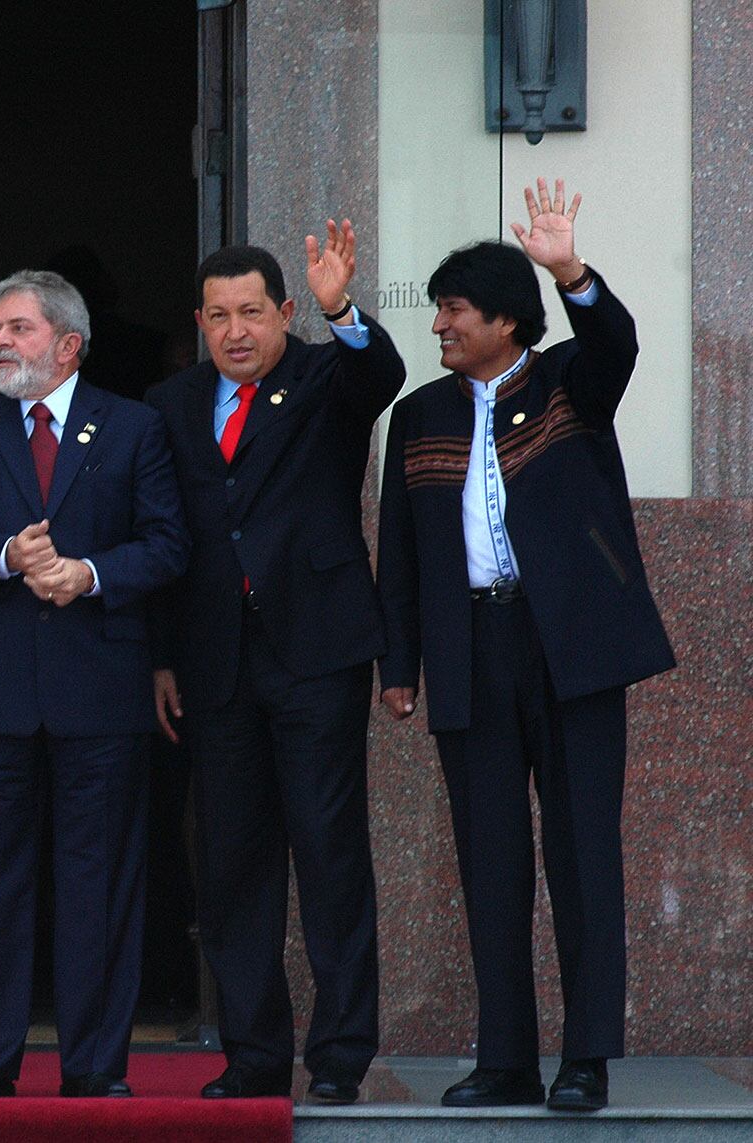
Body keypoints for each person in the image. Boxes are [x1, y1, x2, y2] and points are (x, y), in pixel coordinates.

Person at [378, 181, 674, 1114]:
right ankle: (503, 1055)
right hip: (471, 647)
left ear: (507, 320)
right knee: (490, 859)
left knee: (583, 850)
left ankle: (584, 1058)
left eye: (454, 310)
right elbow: (399, 550)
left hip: (572, 647)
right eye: (436, 310)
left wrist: (571, 270)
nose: (439, 326)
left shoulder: (567, 384)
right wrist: (400, 665)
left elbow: (617, 347)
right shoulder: (419, 414)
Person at [0, 270, 188, 1098]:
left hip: (99, 687)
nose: (1, 340)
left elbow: (168, 544)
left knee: (99, 881)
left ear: (69, 343)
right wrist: (7, 558)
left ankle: (95, 1064)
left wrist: (87, 572)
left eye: (21, 328)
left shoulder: (133, 426)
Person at [146, 225, 404, 1104]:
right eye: (218, 316)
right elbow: (167, 538)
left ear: (285, 312)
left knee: (330, 854)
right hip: (216, 662)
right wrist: (163, 658)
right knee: (232, 867)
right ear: (200, 322)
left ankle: (337, 1057)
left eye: (252, 312)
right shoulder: (174, 403)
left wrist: (344, 310)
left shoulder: (325, 377)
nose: (235, 331)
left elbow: (383, 376)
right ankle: (254, 1054)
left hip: (316, 652)